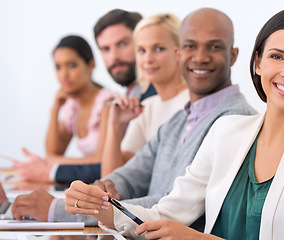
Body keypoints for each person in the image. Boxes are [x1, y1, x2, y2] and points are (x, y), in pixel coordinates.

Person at [65, 7, 284, 239]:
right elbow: (167, 214)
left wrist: (196, 239)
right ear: (257, 63)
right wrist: (96, 206)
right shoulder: (227, 132)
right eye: (277, 56)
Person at [12, 8, 257, 230]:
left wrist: (62, 210)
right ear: (179, 53)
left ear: (233, 55)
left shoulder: (235, 119)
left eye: (214, 47)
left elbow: (173, 206)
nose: (200, 57)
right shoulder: (180, 118)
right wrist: (103, 189)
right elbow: (130, 174)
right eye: (191, 46)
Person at [12, 9, 157, 184]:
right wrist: (54, 109)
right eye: (105, 49)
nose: (114, 57)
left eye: (122, 44)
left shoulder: (132, 99)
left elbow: (109, 165)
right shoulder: (129, 96)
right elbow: (53, 152)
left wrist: (52, 168)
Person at [13, 35, 116, 180]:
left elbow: (101, 159)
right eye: (58, 67)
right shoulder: (72, 106)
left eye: (71, 65)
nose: (64, 75)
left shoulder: (108, 102)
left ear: (90, 65)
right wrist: (54, 110)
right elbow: (53, 151)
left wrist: (56, 162)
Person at [101, 13, 189, 177]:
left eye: (158, 48)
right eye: (141, 50)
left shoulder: (191, 104)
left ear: (180, 51)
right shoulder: (148, 106)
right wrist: (115, 126)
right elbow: (111, 179)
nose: (148, 59)